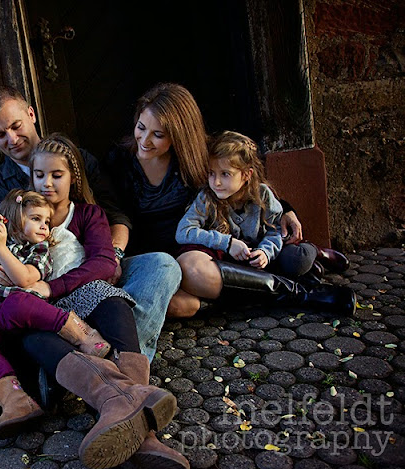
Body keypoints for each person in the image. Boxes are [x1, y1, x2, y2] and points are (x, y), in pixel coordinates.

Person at [0, 86, 180, 435]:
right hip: (29, 299)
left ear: (31, 114)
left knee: (160, 267)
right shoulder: (0, 192)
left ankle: (118, 378)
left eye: (16, 126)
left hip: (83, 279)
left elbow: (114, 221)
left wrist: (109, 258)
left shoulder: (82, 176)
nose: (11, 139)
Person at [12, 134, 189, 469]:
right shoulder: (20, 216)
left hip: (81, 294)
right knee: (32, 336)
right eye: (39, 175)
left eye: (57, 175)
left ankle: (116, 406)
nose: (47, 183)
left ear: (73, 177)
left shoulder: (87, 214)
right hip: (43, 311)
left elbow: (105, 263)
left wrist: (52, 286)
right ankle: (141, 427)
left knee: (112, 299)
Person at [104, 83, 353, 318]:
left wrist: (286, 209)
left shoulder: (201, 155)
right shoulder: (119, 162)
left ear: (179, 135)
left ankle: (304, 294)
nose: (144, 140)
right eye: (141, 127)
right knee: (180, 305)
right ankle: (253, 292)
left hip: (202, 253)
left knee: (192, 270)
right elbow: (114, 215)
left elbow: (245, 182)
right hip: (157, 259)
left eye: (158, 134)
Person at [0, 188, 111, 438]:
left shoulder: (39, 250)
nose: (44, 226)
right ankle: (16, 402)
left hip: (27, 310)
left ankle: (84, 335)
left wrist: (0, 249)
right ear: (14, 217)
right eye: (36, 218)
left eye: (47, 221)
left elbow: (24, 278)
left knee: (17, 302)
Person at [175, 130, 355, 313]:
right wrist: (227, 243)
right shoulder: (206, 198)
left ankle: (316, 251)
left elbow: (275, 230)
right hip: (237, 263)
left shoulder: (262, 195)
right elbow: (183, 231)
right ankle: (302, 286)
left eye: (225, 174)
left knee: (297, 259)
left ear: (246, 175)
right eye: (211, 174)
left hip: (267, 255)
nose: (216, 182)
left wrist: (265, 252)